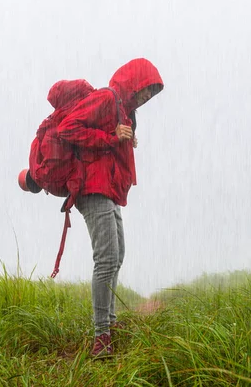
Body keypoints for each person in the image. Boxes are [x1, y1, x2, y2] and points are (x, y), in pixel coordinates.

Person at [57, 58, 164, 358]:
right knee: (106, 259)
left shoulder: (124, 112)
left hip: (109, 189)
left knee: (117, 255)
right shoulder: (106, 98)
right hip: (93, 188)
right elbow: (68, 128)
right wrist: (109, 137)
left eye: (151, 94)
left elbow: (110, 141)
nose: (146, 97)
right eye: (145, 89)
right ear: (134, 82)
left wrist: (122, 138)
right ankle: (101, 336)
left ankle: (110, 326)